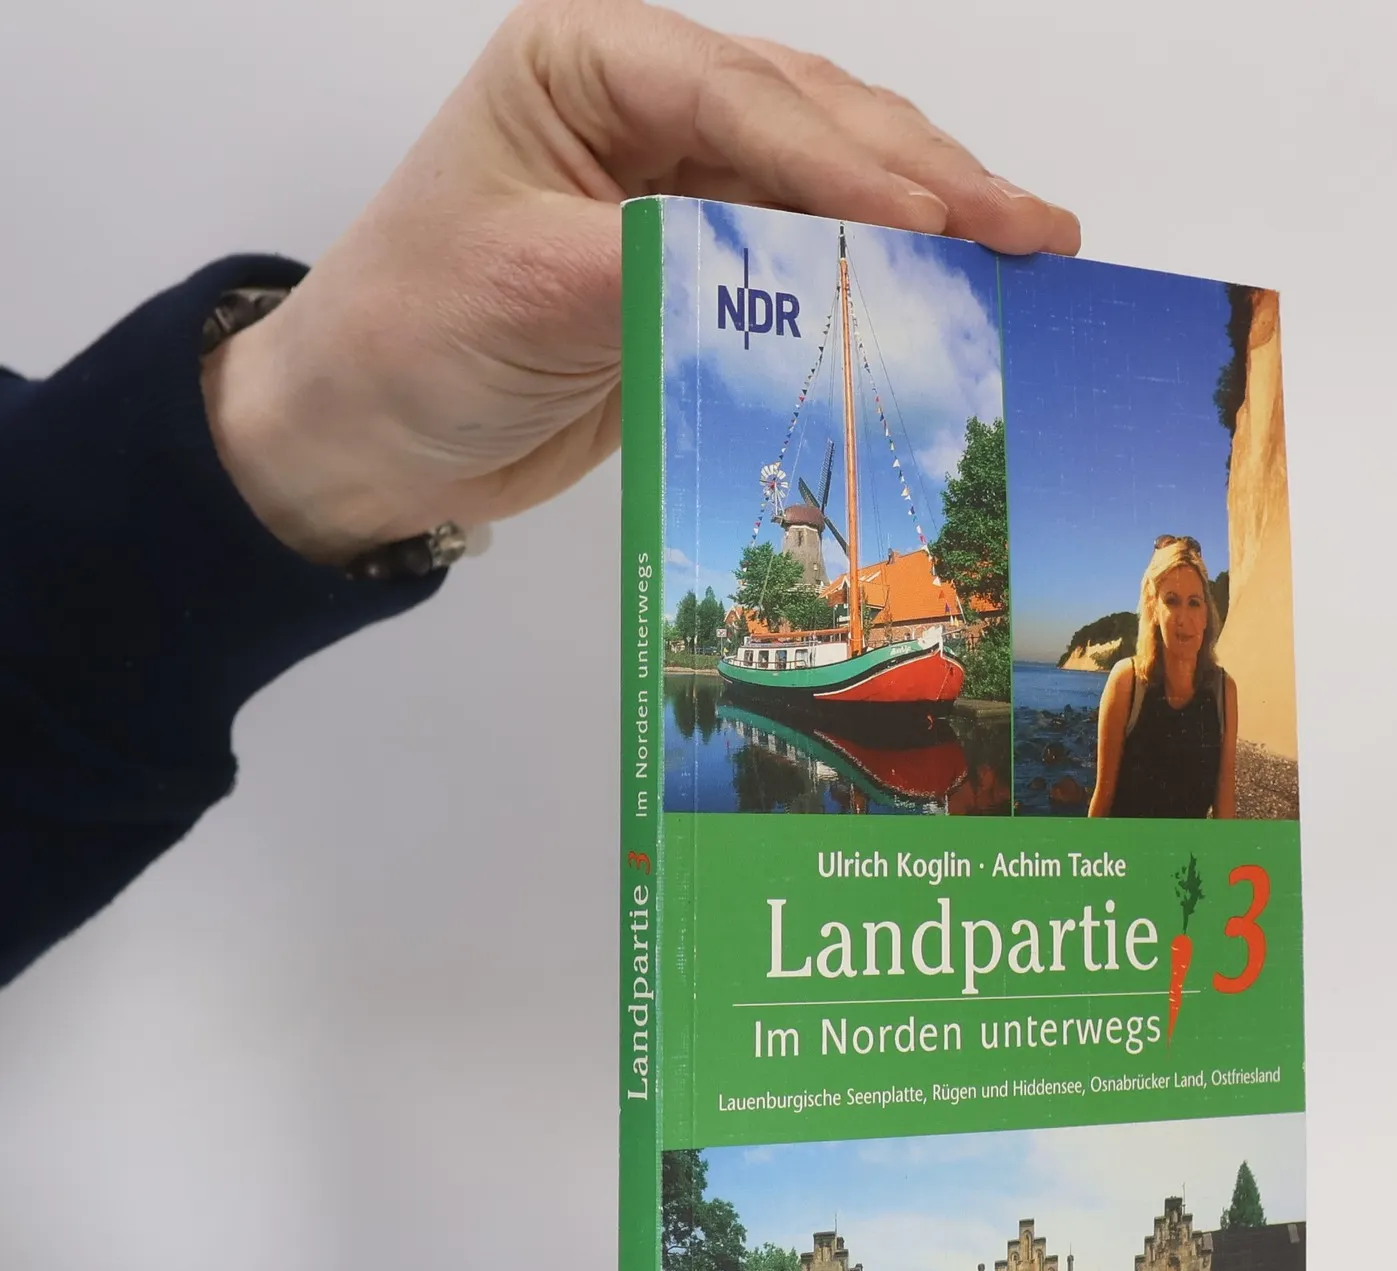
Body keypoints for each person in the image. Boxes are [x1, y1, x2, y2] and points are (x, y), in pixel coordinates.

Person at [0, 0, 1079, 987]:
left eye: (808, 528)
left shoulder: (860, 595)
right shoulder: (789, 575)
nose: (810, 533)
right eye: (806, 527)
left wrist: (300, 427)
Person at [1086, 535, 1237, 819]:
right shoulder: (1127, 681)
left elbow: (1225, 800)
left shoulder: (1223, 691)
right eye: (1172, 601)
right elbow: (1103, 798)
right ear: (1154, 610)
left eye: (1194, 603)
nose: (1183, 618)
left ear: (1206, 614)